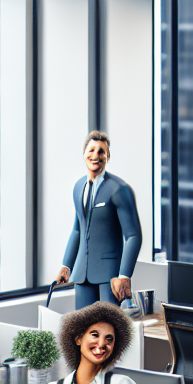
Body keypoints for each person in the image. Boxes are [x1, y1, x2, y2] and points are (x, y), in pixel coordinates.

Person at [56, 131, 142, 309]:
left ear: (108, 156)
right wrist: (66, 265)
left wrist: (124, 275)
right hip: (82, 273)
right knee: (83, 327)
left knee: (108, 327)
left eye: (101, 152)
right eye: (91, 150)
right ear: (84, 154)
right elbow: (77, 229)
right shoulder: (78, 187)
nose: (96, 156)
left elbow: (133, 235)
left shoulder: (119, 189)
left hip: (109, 276)